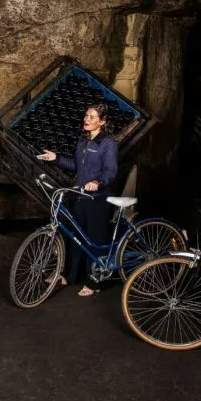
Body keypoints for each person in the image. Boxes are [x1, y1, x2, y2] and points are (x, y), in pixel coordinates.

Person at [37, 103, 118, 297]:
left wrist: (97, 182)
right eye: (86, 115)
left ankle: (94, 281)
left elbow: (111, 171)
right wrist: (56, 158)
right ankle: (69, 275)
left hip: (97, 198)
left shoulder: (108, 143)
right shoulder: (83, 141)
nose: (87, 119)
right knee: (75, 237)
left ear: (103, 121)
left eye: (92, 117)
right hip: (80, 195)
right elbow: (75, 165)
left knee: (94, 240)